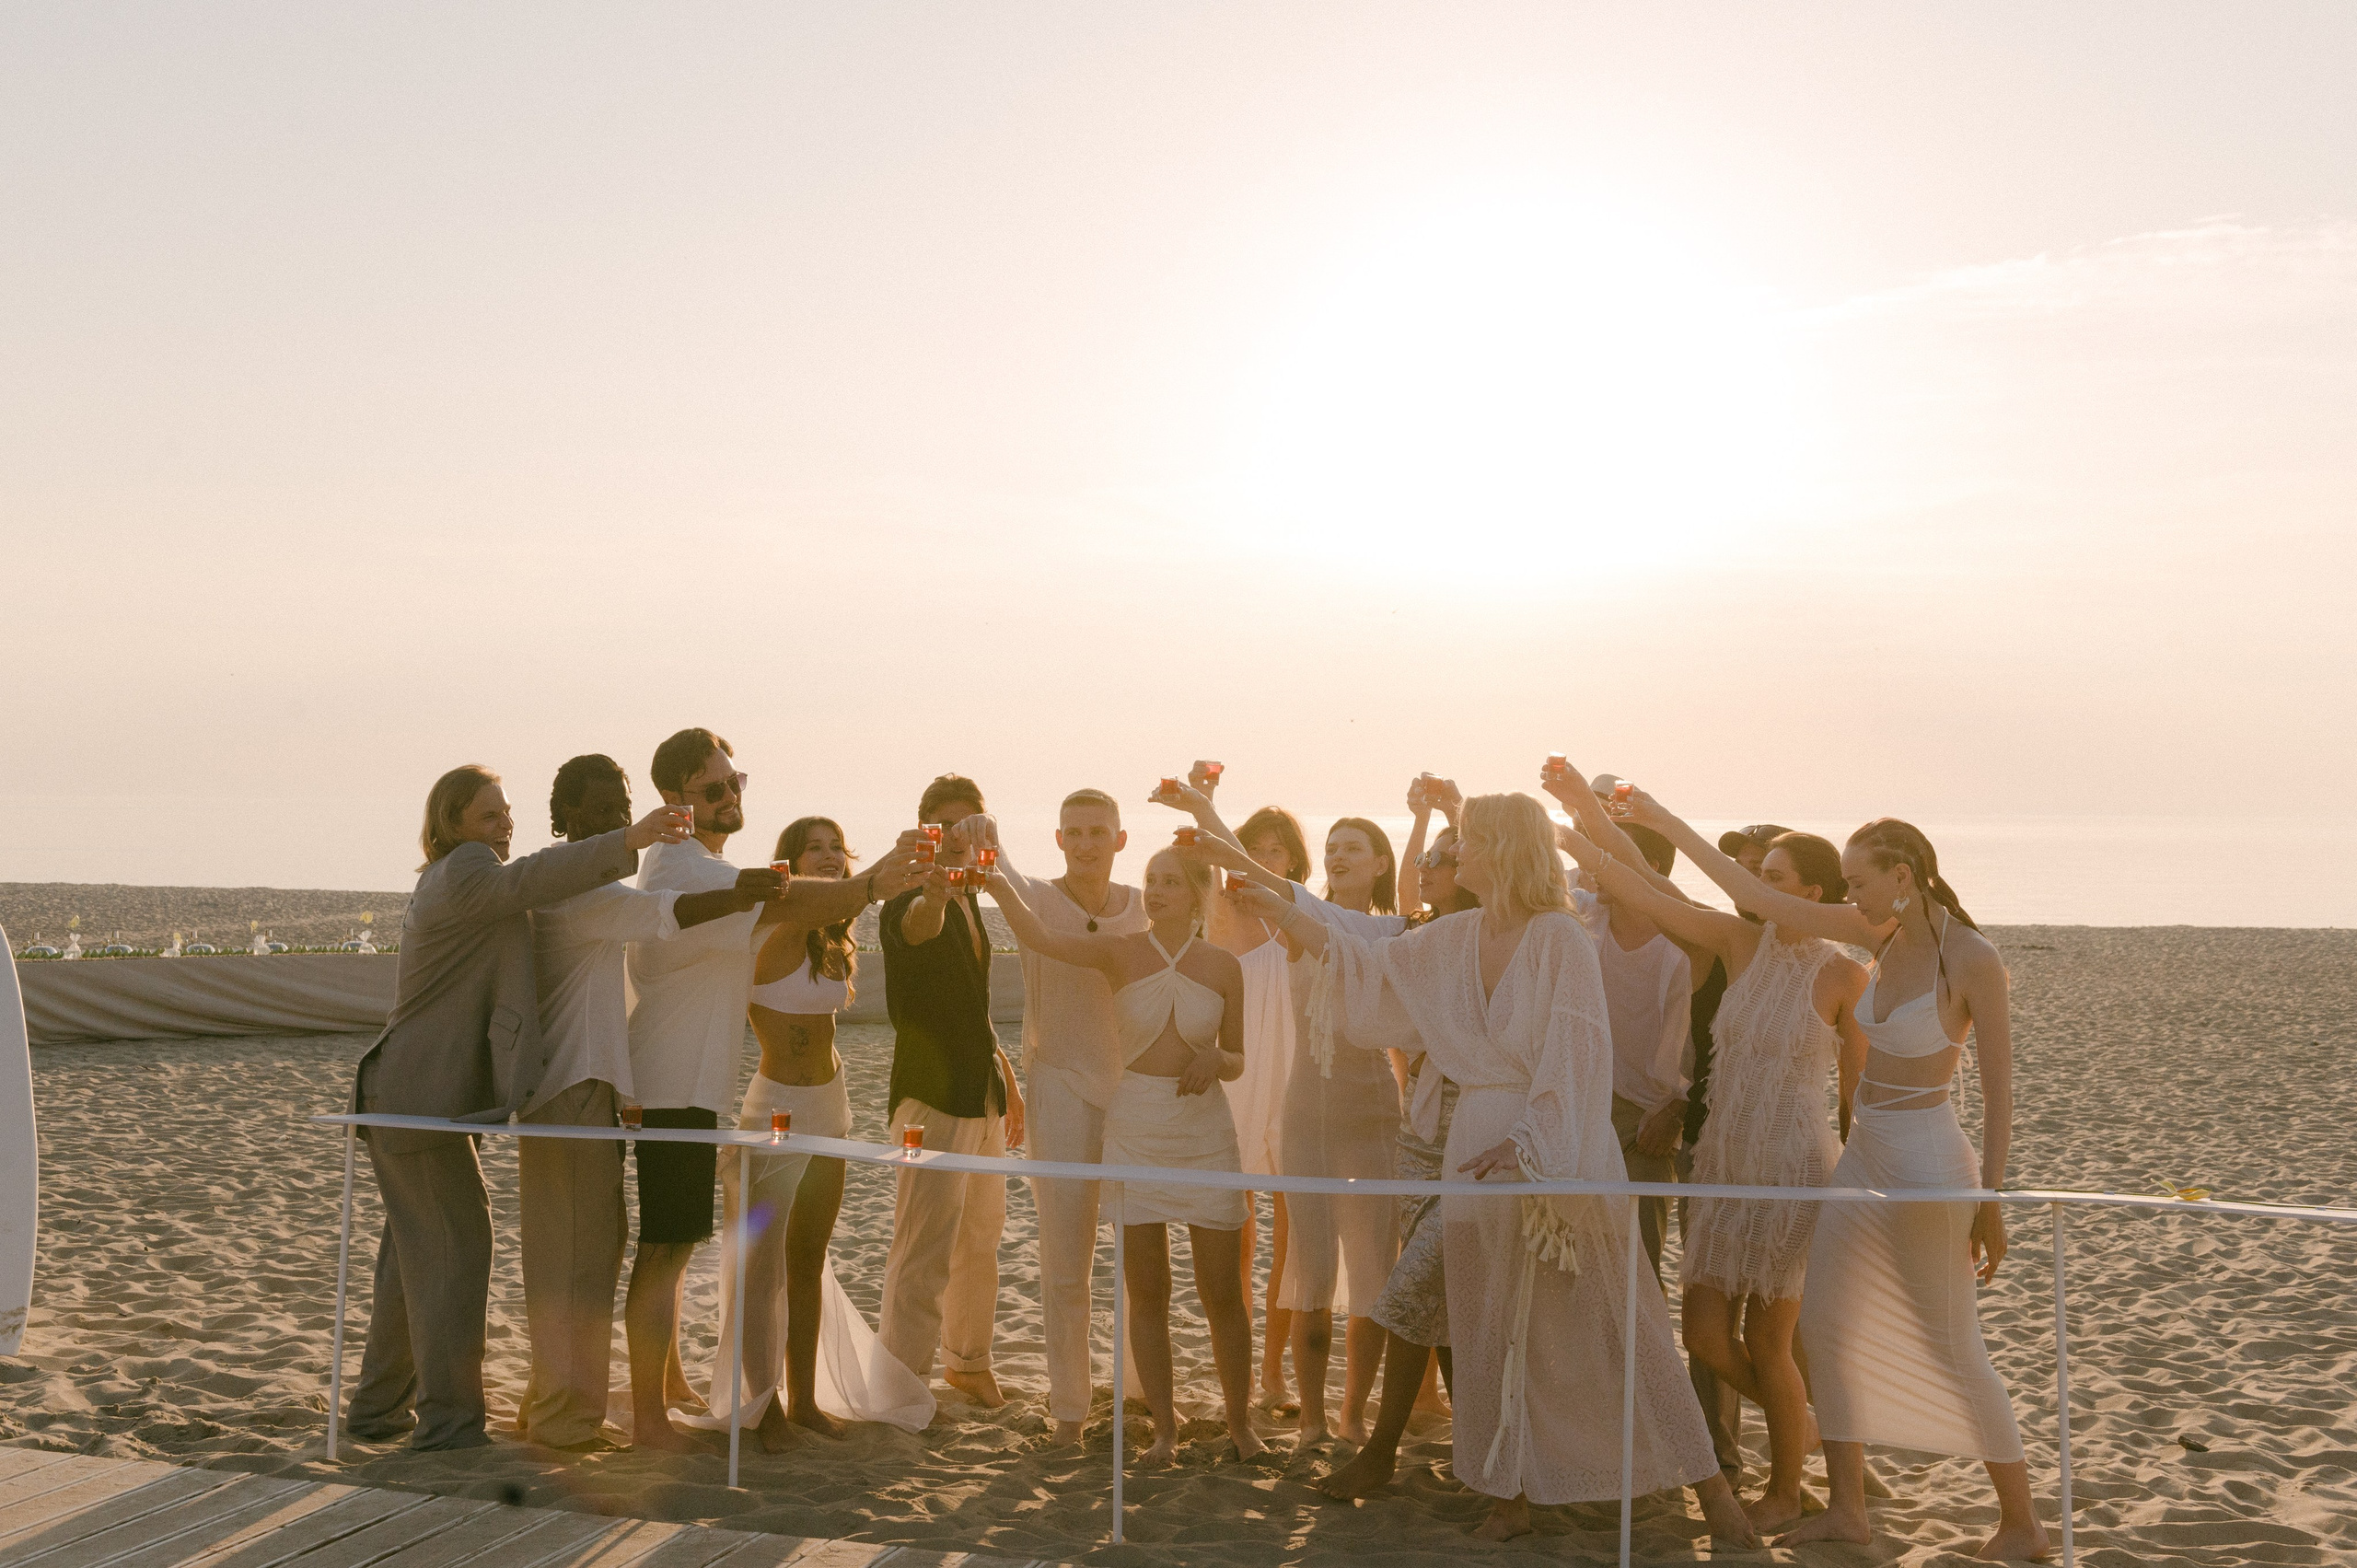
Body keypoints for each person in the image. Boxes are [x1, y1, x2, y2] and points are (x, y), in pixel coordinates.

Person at [1202, 793, 1754, 1546]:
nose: (1459, 854)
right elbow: (1366, 954)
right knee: (1487, 1321)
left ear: (1507, 849)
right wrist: (1281, 909)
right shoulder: (1456, 935)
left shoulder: (1560, 935)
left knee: (1623, 1318)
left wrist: (1531, 1145)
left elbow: (1579, 1050)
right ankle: (1510, 1491)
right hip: (1474, 1145)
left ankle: (1713, 1493)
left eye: (1473, 841)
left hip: (1557, 1152)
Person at [1629, 798, 2046, 1560]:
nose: (1849, 896)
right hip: (1863, 1157)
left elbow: (1998, 1088)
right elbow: (1750, 892)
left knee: (1955, 1342)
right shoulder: (1876, 936)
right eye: (1845, 883)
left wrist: (1989, 1198)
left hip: (1929, 1158)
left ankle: (2022, 1521)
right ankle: (1847, 1507)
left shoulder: (1973, 959)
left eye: (1859, 881)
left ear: (1903, 876)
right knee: (1821, 1328)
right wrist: (1656, 817)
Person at [1550, 759, 1868, 1535]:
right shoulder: (1735, 940)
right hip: (1723, 1161)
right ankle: (1824, 1431)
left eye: (1772, 874)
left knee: (1768, 1339)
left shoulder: (1845, 975)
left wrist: (1862, 1181)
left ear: (1813, 893)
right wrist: (1583, 825)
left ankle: (1790, 1489)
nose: (1751, 883)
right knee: (1703, 1336)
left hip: (1794, 1165)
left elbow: (1856, 1098)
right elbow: (1645, 892)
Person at [345, 763, 690, 1452]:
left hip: (414, 1094)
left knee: (414, 1255)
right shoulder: (468, 869)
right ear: (452, 825)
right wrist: (632, 837)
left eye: (505, 813)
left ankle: (378, 1411)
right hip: (420, 1096)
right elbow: (530, 879)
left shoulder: (450, 879)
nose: (502, 825)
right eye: (487, 815)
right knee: (456, 1248)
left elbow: (531, 885)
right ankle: (447, 1423)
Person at [626, 728, 923, 1451]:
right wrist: (880, 875)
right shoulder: (694, 873)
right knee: (674, 1251)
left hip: (735, 1089)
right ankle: (670, 1415)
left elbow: (816, 908)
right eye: (714, 788)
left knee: (739, 1252)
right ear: (675, 800)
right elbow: (806, 904)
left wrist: (870, 881)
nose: (731, 798)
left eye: (736, 784)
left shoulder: (705, 868)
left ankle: (708, 1399)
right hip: (698, 1088)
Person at [517, 755, 778, 1452]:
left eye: (620, 807)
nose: (614, 822)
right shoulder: (580, 886)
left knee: (588, 1250)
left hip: (594, 1087)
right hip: (567, 1089)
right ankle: (568, 1416)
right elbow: (667, 914)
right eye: (600, 810)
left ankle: (554, 1402)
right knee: (579, 1254)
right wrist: (747, 891)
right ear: (568, 816)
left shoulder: (586, 878)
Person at [988, 844, 1263, 1463]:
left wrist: (1217, 1058)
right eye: (1152, 879)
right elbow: (1037, 934)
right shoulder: (1120, 951)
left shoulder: (1223, 966)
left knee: (1222, 1289)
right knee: (1149, 1288)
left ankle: (1241, 1423)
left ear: (1199, 892)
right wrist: (996, 878)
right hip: (1136, 1122)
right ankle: (1165, 1428)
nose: (1157, 889)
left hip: (1204, 1132)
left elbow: (1240, 1057)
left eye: (1171, 880)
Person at [1159, 784, 1401, 1446]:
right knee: (1311, 1268)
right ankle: (1315, 1422)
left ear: (1382, 862)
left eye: (1354, 846)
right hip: (1307, 1106)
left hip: (1374, 1109)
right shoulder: (1303, 915)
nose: (1338, 853)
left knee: (1374, 1268)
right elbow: (1252, 876)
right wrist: (1204, 814)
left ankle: (1353, 1415)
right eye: (1332, 846)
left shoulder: (1398, 928)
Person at [693, 815, 935, 1448]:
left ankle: (803, 1400)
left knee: (808, 1258)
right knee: (761, 1268)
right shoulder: (779, 926)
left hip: (833, 1103)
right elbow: (825, 897)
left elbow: (843, 905)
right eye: (815, 849)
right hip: (776, 1105)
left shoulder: (834, 936)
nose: (829, 858)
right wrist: (883, 866)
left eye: (836, 848)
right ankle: (760, 1404)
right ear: (792, 862)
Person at [953, 788, 1146, 1445]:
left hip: (1134, 1092)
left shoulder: (1146, 906)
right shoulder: (1033, 893)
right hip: (1059, 1084)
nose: (1086, 842)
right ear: (1059, 840)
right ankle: (1070, 1409)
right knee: (1066, 1256)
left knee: (1140, 1250)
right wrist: (985, 829)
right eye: (1074, 832)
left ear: (1120, 840)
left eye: (1098, 831)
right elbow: (996, 864)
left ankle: (1140, 1388)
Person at [1318, 776, 1477, 1501]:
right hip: (1419, 1131)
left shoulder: (1498, 936)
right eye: (1431, 857)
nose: (1429, 866)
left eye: (1445, 856)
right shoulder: (1415, 934)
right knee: (1437, 1301)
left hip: (1480, 1135)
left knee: (1413, 1288)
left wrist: (1454, 811)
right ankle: (1476, 1444)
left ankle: (1379, 1450)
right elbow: (1326, 931)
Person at [877, 773, 1027, 1407]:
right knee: (923, 1250)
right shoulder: (907, 900)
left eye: (973, 824)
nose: (960, 837)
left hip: (982, 1090)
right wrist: (934, 892)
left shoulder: (975, 901)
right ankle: (900, 1386)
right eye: (948, 826)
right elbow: (917, 925)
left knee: (980, 1240)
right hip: (931, 1097)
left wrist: (1008, 1079)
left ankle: (967, 1363)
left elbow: (975, 1006)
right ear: (925, 833)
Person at [1190, 771, 1308, 1415]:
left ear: (1291, 858)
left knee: (1292, 1234)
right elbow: (1203, 859)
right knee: (1236, 1229)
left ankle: (1273, 1372)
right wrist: (1200, 796)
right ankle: (1230, 1362)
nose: (1263, 860)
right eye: (1253, 848)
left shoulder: (1299, 915)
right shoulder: (1228, 911)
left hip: (1293, 1081)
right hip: (1239, 1081)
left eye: (1274, 850)